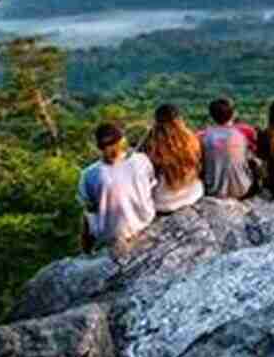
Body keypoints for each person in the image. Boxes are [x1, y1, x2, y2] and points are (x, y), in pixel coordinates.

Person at [77, 122, 157, 254]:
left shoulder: (89, 175)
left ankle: (86, 253)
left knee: (87, 215)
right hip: (144, 221)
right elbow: (151, 187)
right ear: (122, 140)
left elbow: (90, 209)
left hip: (110, 234)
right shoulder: (142, 160)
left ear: (98, 147)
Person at [141, 103, 204, 213]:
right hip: (191, 194)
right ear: (179, 119)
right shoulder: (190, 140)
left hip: (163, 202)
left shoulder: (151, 144)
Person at [197, 97, 259, 199]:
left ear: (211, 116)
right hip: (242, 189)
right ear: (233, 114)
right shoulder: (244, 133)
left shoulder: (203, 136)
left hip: (212, 190)